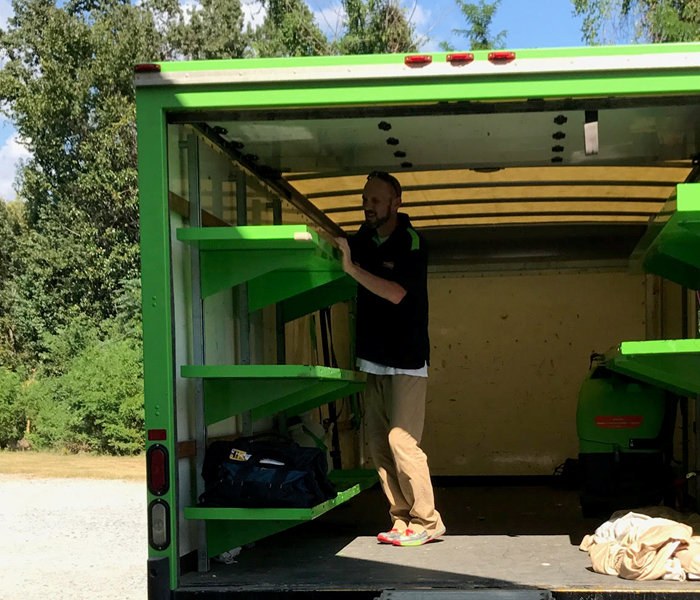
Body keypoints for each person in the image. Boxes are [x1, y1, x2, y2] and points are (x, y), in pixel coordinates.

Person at [335, 171, 445, 547]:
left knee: (402, 441)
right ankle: (401, 519)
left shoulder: (411, 242)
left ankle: (428, 522)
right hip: (372, 361)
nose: (369, 205)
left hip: (407, 360)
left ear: (397, 203)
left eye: (377, 199)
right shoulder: (360, 240)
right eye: (365, 198)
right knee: (379, 445)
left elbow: (397, 293)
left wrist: (352, 269)